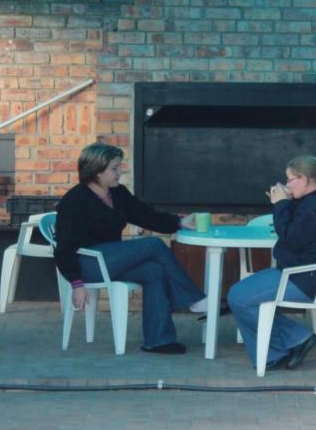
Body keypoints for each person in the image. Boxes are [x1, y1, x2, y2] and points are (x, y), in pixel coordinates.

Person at [53, 143, 207, 354]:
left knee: (154, 270)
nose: (120, 172)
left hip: (112, 259)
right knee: (153, 244)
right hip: (87, 264)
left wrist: (179, 222)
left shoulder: (118, 194)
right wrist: (77, 284)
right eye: (114, 168)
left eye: (119, 167)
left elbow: (146, 215)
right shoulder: (75, 200)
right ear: (97, 172)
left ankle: (159, 340)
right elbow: (64, 247)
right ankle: (195, 300)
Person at [228, 155, 316, 370]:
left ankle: (292, 342)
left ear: (304, 179)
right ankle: (286, 346)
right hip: (308, 273)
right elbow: (298, 230)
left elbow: (290, 239)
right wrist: (287, 201)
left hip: (310, 280)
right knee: (242, 295)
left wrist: (281, 204)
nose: (287, 184)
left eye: (290, 180)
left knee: (238, 296)